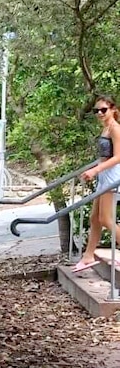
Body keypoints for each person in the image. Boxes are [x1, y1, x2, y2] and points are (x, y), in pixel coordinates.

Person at [75, 95, 120, 272]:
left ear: (113, 110)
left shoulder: (115, 129)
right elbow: (104, 156)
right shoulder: (105, 128)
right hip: (104, 174)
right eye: (97, 111)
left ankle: (88, 256)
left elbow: (118, 157)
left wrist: (95, 170)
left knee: (106, 219)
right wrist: (94, 169)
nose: (100, 113)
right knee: (95, 218)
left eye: (104, 110)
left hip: (112, 175)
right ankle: (88, 256)